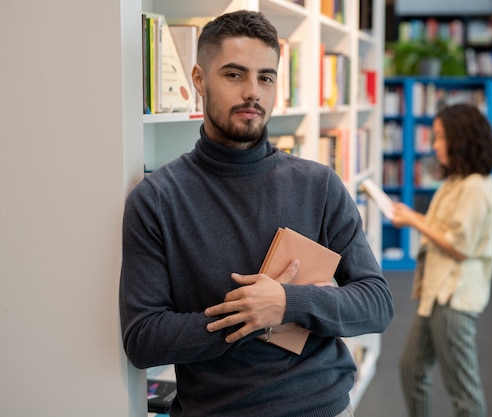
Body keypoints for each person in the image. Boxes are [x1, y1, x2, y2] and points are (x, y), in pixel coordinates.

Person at [119, 10, 393, 417]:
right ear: (199, 80)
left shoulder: (318, 184)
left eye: (265, 77)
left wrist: (288, 303)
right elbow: (144, 338)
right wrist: (251, 316)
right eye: (234, 75)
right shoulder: (158, 198)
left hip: (320, 407)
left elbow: (376, 303)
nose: (253, 92)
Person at [392, 103, 492, 417]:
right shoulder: (457, 181)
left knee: (464, 392)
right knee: (411, 367)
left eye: (440, 137)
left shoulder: (476, 187)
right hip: (435, 293)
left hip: (454, 296)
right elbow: (446, 228)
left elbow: (460, 245)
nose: (434, 144)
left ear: (460, 139)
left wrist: (414, 220)